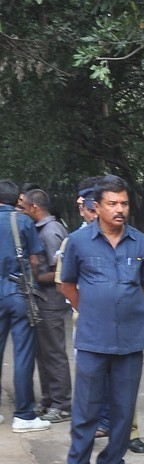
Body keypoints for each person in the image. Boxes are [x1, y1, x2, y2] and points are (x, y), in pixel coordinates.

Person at [54, 175, 144, 464]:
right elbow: (66, 284)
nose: (119, 209)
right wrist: (95, 309)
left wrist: (119, 306)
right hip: (93, 339)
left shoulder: (141, 242)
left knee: (124, 409)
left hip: (131, 339)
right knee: (86, 408)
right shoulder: (78, 242)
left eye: (124, 203)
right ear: (96, 207)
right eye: (112, 203)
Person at [0, 179, 50, 432]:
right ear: (16, 199)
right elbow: (33, 260)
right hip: (19, 294)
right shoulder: (23, 222)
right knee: (23, 355)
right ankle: (24, 416)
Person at [22, 188, 72, 422]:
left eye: (23, 207)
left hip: (50, 301)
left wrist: (31, 278)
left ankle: (62, 404)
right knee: (43, 353)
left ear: (34, 207)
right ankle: (49, 400)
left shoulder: (51, 232)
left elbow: (59, 272)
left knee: (53, 353)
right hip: (42, 301)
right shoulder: (41, 229)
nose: (21, 211)